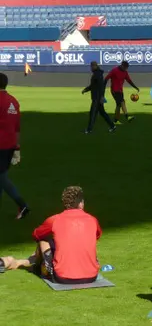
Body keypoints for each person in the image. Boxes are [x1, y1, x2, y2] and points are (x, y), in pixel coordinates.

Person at [0, 187, 101, 282]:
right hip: (91, 276)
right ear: (81, 203)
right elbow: (95, 236)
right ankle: (26, 262)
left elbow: (36, 235)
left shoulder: (55, 220)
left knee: (44, 240)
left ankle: (32, 264)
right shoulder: (93, 220)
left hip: (63, 277)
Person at [0, 72, 28, 219]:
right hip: (10, 144)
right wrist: (17, 147)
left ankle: (23, 205)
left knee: (2, 177)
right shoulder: (13, 101)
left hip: (1, 144)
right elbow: (17, 127)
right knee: (1, 175)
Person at [82, 62, 117, 134]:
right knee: (102, 113)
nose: (91, 68)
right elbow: (93, 86)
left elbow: (100, 87)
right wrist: (86, 89)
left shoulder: (97, 75)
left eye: (91, 67)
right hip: (98, 97)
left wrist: (101, 97)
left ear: (94, 66)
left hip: (97, 98)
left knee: (92, 113)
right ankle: (112, 126)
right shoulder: (98, 74)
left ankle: (89, 129)